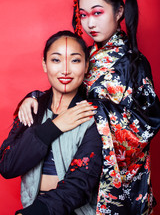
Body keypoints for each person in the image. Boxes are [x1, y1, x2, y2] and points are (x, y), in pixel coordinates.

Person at [10, 0, 160, 215]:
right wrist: (35, 97)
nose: (90, 23)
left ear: (119, 10)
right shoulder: (85, 55)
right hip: (75, 168)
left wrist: (93, 109)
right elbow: (65, 90)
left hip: (114, 178)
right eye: (84, 15)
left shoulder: (134, 62)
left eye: (97, 13)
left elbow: (148, 122)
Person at [0, 30, 103, 215]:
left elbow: (80, 184)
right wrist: (53, 127)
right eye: (56, 60)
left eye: (75, 60)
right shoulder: (32, 108)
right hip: (32, 205)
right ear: (44, 64)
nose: (65, 69)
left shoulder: (93, 116)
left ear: (87, 65)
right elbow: (7, 166)